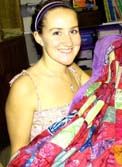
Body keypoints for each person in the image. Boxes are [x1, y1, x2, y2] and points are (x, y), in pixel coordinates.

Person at [5, 0, 90, 158]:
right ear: (39, 37)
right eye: (57, 33)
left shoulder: (74, 70)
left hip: (84, 161)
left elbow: (102, 92)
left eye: (73, 31)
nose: (69, 42)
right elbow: (18, 157)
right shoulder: (25, 87)